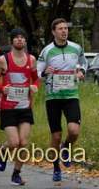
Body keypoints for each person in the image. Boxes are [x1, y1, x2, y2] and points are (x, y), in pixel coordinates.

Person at [37, 18, 87, 183]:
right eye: (60, 29)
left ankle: (66, 148)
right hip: (53, 97)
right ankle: (56, 168)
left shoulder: (76, 48)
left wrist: (81, 72)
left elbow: (83, 63)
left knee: (74, 131)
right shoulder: (47, 51)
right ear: (53, 32)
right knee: (56, 136)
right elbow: (38, 71)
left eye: (66, 28)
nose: (64, 31)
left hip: (71, 95)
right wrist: (45, 72)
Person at [0, 28, 39, 187]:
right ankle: (3, 152)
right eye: (17, 37)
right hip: (8, 107)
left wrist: (35, 86)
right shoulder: (3, 60)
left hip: (25, 107)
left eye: (22, 37)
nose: (20, 40)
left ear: (25, 41)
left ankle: (16, 174)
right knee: (13, 143)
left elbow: (36, 79)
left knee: (23, 143)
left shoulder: (31, 59)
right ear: (12, 40)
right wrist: (2, 89)